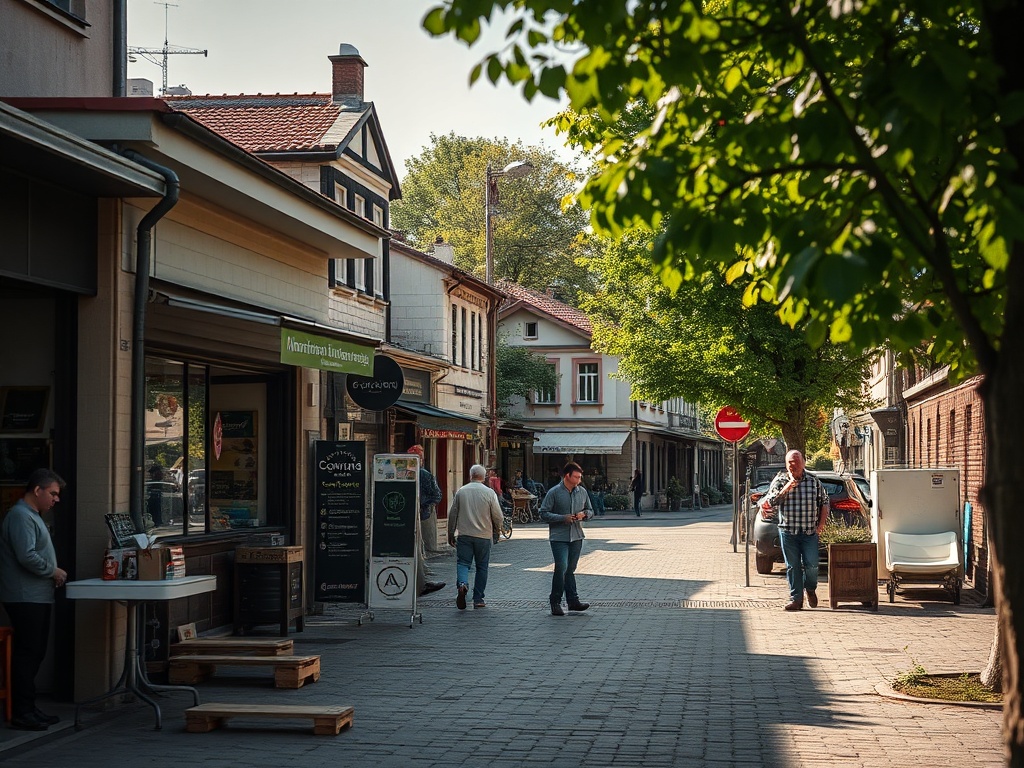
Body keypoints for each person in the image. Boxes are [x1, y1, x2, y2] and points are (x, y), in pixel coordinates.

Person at [0, 468, 68, 731]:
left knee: (35, 652)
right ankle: (22, 711)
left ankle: (29, 707)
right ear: (37, 490)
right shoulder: (20, 516)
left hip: (37, 595)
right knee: (27, 654)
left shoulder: (32, 516)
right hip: (24, 596)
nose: (56, 499)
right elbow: (26, 555)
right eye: (52, 493)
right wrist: (53, 570)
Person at [759, 450, 830, 611]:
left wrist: (820, 525)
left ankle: (810, 588)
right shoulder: (780, 481)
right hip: (788, 531)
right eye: (790, 463)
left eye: (797, 462)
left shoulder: (813, 481)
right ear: (786, 464)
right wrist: (787, 487)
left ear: (803, 463)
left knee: (812, 565)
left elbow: (824, 502)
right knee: (793, 566)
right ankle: (796, 599)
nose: (793, 466)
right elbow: (771, 502)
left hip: (809, 532)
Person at [539, 461, 594, 616]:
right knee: (561, 567)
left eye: (580, 477)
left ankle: (573, 601)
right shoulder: (554, 492)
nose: (579, 480)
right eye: (576, 477)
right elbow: (543, 513)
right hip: (559, 537)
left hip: (576, 536)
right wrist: (562, 518)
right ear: (567, 476)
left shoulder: (582, 491)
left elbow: (591, 510)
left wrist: (585, 515)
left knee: (570, 569)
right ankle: (555, 601)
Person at [447, 464, 504, 609]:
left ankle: (462, 584)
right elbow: (498, 516)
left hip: (465, 534)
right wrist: (497, 530)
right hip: (483, 536)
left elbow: (452, 514)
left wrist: (451, 533)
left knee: (463, 563)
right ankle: (478, 598)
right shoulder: (489, 493)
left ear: (470, 475)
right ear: (484, 477)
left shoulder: (462, 491)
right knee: (482, 567)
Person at [407, 445, 445, 596]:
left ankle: (420, 581)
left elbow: (436, 495)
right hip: (413, 515)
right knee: (416, 548)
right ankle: (419, 582)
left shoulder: (423, 474)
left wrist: (421, 505)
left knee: (418, 548)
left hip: (419, 516)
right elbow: (437, 495)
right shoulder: (414, 473)